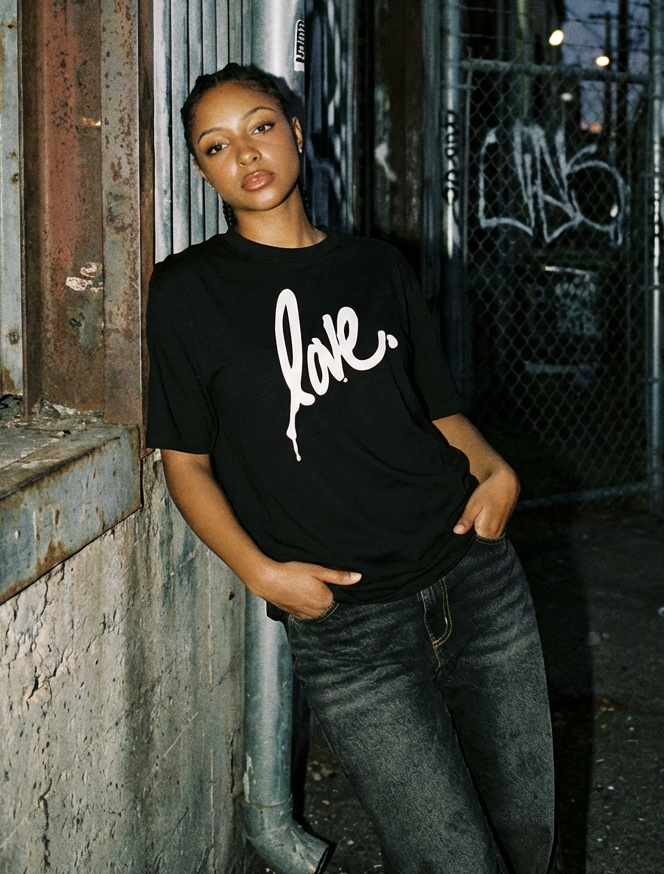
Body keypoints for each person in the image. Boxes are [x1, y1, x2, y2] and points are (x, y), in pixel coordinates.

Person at [146, 62, 556, 874]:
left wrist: (494, 470)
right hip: (349, 621)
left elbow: (437, 410)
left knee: (524, 834)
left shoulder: (378, 268)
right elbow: (184, 462)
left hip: (472, 575)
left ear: (297, 132)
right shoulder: (186, 290)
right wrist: (262, 573)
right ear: (201, 170)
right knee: (448, 856)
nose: (246, 154)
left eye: (261, 126)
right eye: (216, 145)